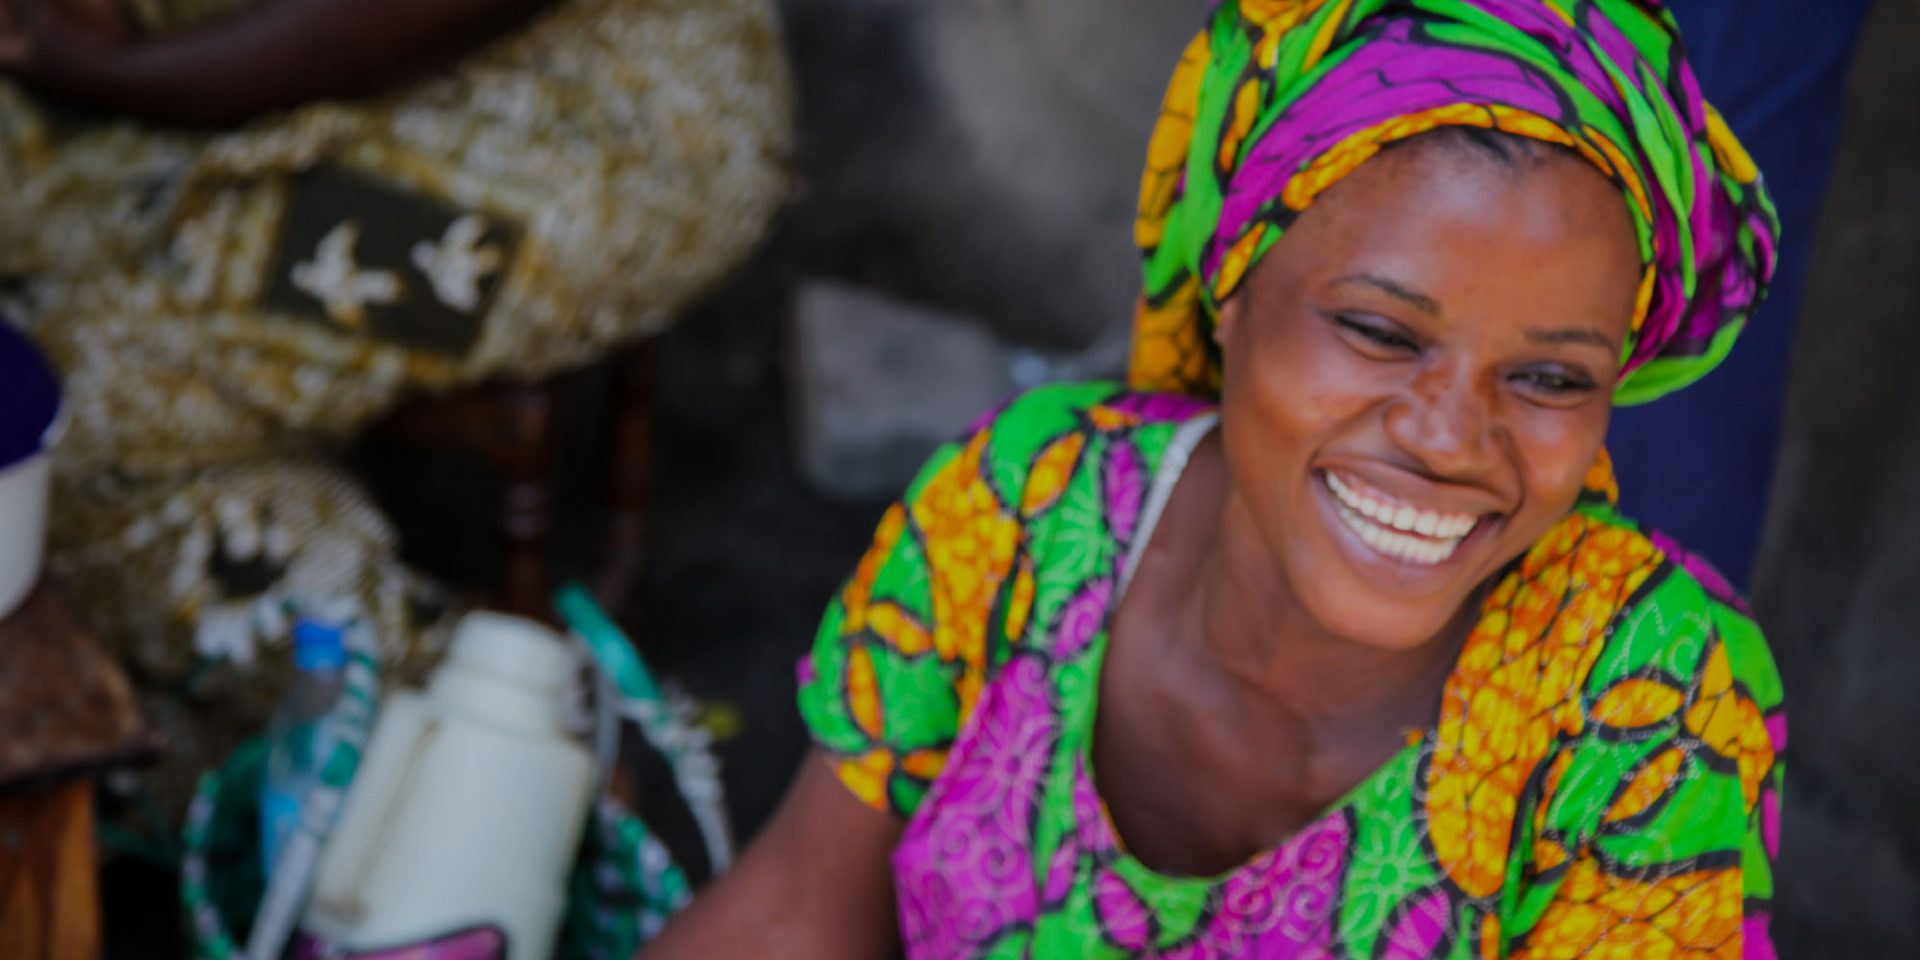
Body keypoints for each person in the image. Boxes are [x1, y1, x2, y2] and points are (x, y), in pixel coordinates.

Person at [643, 1, 1783, 957]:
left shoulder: (1647, 713)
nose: (1449, 438)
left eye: (1548, 375)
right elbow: (795, 908)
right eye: (1380, 331)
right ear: (1232, 291)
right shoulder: (1035, 503)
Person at [0, 0, 791, 825]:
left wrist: (94, 66)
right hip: (231, 55)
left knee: (83, 394)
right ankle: (273, 768)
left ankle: (476, 773)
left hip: (592, 110)